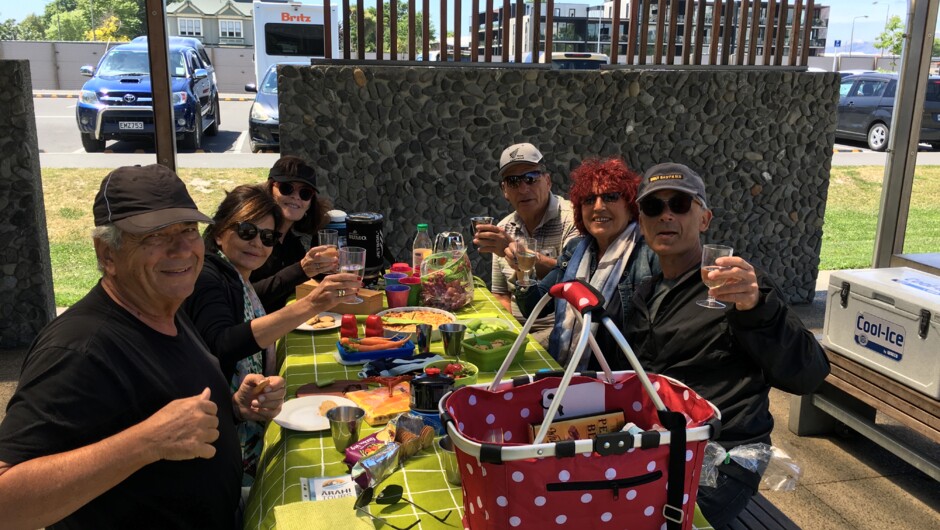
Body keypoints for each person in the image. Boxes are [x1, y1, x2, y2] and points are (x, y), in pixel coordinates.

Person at [0, 164, 287, 529]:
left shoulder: (166, 306)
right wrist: (146, 443)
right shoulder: (78, 348)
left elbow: (170, 414)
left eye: (187, 230)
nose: (182, 249)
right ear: (107, 253)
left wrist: (234, 408)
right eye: (154, 236)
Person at [624, 162, 831, 528]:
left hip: (723, 459)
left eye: (681, 205)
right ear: (642, 223)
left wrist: (757, 309)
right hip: (659, 447)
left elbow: (809, 375)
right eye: (653, 208)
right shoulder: (645, 292)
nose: (666, 215)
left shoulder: (740, 289)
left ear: (704, 219)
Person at [183, 184, 361, 485]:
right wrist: (312, 303)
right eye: (246, 231)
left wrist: (302, 271)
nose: (258, 243)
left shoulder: (236, 278)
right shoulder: (208, 277)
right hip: (222, 450)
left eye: (267, 237)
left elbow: (257, 301)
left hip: (238, 422)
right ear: (218, 232)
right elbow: (221, 343)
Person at [515, 158, 658, 368]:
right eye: (589, 200)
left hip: (618, 383)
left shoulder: (649, 255)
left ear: (630, 206)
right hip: (564, 371)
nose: (598, 207)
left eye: (610, 197)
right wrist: (522, 267)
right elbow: (534, 305)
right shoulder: (575, 249)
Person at [473, 143, 579, 344]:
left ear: (547, 181)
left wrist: (518, 255)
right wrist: (511, 332)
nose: (523, 189)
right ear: (504, 190)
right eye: (513, 181)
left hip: (560, 329)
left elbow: (572, 275)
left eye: (531, 178)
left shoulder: (572, 219)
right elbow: (501, 294)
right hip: (517, 330)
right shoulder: (505, 227)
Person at [250, 155, 337, 312]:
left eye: (305, 193)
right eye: (286, 188)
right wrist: (301, 270)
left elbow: (297, 284)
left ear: (309, 204)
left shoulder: (293, 244)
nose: (296, 196)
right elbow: (246, 295)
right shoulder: (253, 238)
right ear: (269, 190)